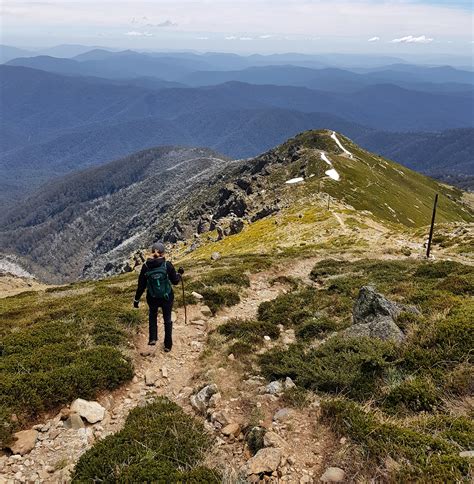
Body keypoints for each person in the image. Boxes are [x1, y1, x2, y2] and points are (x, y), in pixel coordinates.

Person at [133, 242, 184, 351]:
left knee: (152, 314)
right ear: (163, 253)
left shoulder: (146, 266)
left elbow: (141, 286)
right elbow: (175, 281)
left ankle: (152, 338)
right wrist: (179, 274)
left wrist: (136, 300)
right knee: (167, 319)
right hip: (167, 297)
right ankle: (168, 345)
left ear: (152, 252)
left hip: (152, 297)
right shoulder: (167, 265)